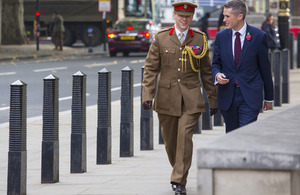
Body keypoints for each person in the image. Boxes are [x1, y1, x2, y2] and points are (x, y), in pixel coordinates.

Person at [142, 1, 218, 194]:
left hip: (191, 98)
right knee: (170, 142)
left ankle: (178, 181)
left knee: (184, 136)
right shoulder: (161, 38)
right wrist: (147, 95)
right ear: (174, 16)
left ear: (192, 17)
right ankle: (179, 172)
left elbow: (206, 73)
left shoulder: (199, 39)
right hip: (167, 97)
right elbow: (151, 69)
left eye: (188, 16)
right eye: (181, 16)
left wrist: (213, 99)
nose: (184, 19)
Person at [212, 0, 274, 133]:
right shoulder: (221, 37)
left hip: (250, 96)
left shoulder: (258, 36)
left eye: (227, 16)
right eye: (224, 16)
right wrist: (217, 75)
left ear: (239, 16)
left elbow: (265, 68)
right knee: (232, 135)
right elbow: (216, 63)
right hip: (228, 96)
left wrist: (269, 97)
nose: (224, 20)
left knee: (246, 133)